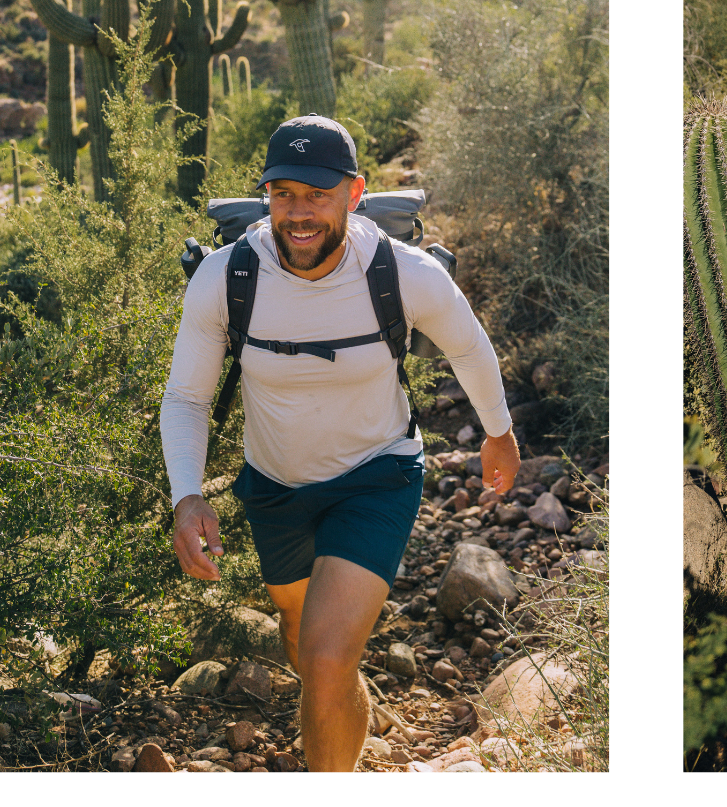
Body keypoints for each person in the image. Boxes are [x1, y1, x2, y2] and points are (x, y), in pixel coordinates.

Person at [158, 115, 523, 772]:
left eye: (317, 194)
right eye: (284, 193)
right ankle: (348, 706)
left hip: (375, 474)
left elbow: (469, 346)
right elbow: (186, 397)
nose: (300, 213)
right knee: (304, 646)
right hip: (274, 485)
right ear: (267, 194)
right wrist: (186, 497)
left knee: (324, 660)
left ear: (353, 195)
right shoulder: (226, 278)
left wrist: (499, 433)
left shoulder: (402, 273)